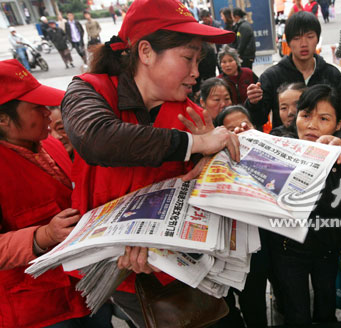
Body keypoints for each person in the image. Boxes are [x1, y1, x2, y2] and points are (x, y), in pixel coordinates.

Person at [61, 1, 238, 325]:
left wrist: (215, 163)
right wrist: (194, 144)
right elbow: (98, 139)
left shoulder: (193, 116)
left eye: (198, 60)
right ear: (145, 52)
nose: (196, 72)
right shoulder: (89, 91)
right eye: (187, 58)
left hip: (179, 279)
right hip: (112, 278)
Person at [0, 59, 113, 328]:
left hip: (86, 289)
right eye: (36, 108)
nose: (48, 114)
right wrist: (43, 236)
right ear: (3, 119)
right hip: (38, 310)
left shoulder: (50, 143)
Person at [269, 84, 341, 326]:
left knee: (326, 307)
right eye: (305, 115)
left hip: (328, 250)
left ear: (338, 125)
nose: (312, 125)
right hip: (288, 251)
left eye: (323, 118)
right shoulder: (280, 144)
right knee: (297, 313)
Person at [245, 11, 341, 130]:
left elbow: (340, 118)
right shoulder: (271, 76)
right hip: (285, 143)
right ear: (289, 42)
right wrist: (254, 103)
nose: (304, 44)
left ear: (317, 39)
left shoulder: (332, 74)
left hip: (323, 142)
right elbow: (258, 119)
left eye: (310, 37)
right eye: (297, 38)